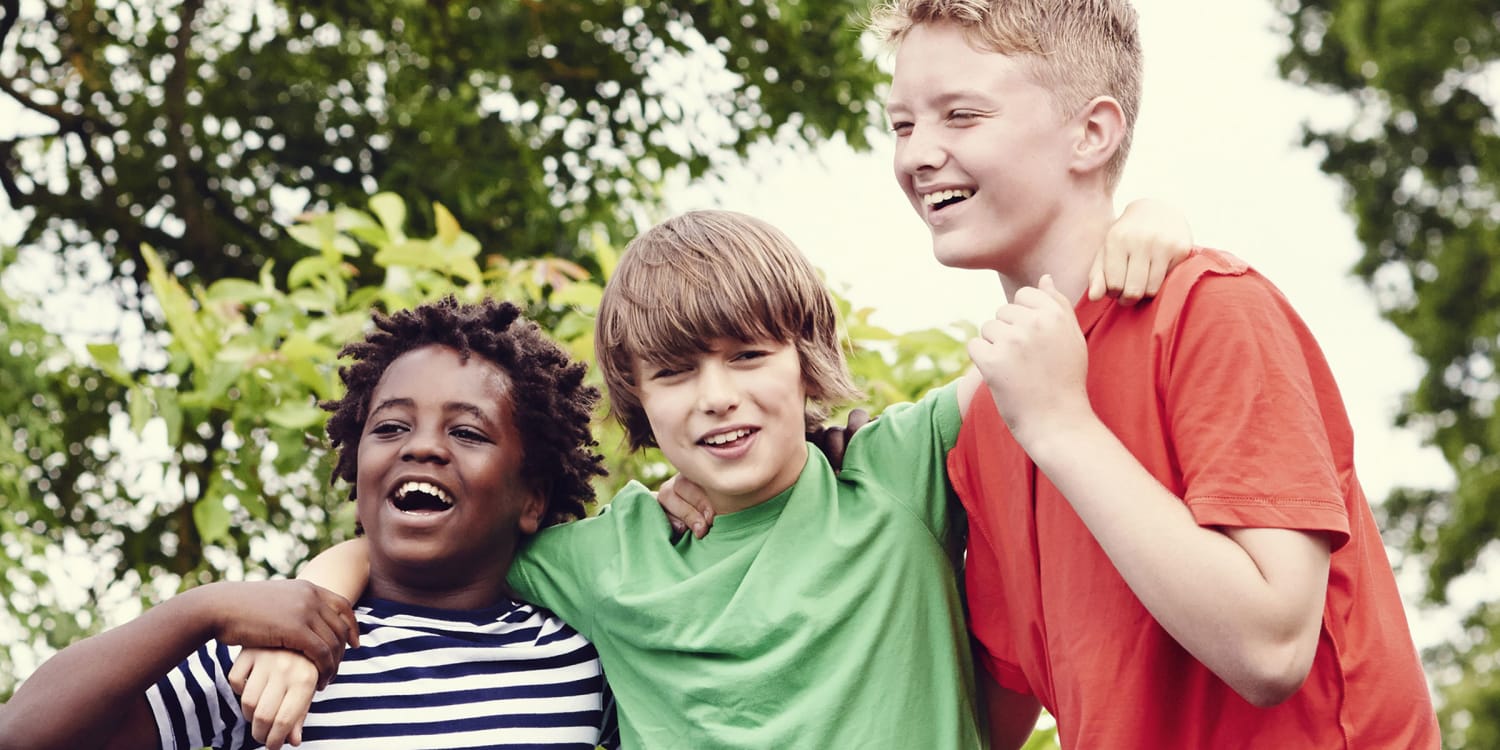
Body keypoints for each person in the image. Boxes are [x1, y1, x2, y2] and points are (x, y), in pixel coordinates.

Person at [268, 207, 1191, 749]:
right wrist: (302, 614)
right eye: (675, 373)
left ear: (805, 360)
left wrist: (1148, 224)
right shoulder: (602, 557)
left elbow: (1064, 328)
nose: (716, 398)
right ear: (638, 397)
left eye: (748, 356)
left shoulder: (900, 471)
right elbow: (419, 545)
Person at [869, 0, 1441, 747]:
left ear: (1092, 133)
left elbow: (1271, 649)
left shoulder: (1211, 312)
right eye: (902, 125)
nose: (917, 154)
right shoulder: (990, 418)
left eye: (962, 116)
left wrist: (1062, 428)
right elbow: (979, 718)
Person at [0, 297, 618, 750]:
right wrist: (204, 610)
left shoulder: (580, 659)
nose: (421, 448)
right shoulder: (270, 652)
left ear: (532, 498)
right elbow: (23, 735)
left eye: (466, 431)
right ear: (359, 476)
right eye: (390, 427)